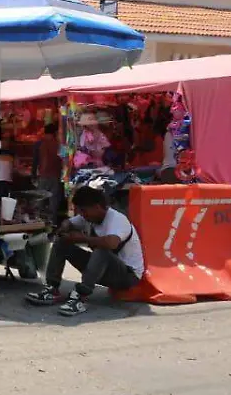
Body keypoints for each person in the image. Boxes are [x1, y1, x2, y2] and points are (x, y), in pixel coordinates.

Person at [25, 185, 143, 316]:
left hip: (127, 276)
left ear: (97, 207)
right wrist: (64, 228)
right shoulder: (88, 217)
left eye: (84, 211)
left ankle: (80, 297)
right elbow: (69, 222)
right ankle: (52, 289)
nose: (82, 215)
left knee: (102, 250)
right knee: (62, 243)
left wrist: (83, 238)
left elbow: (112, 243)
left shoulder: (117, 219)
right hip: (102, 270)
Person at [33, 123, 63, 221]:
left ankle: (38, 220)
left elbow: (44, 160)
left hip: (45, 175)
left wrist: (40, 173)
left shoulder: (44, 143)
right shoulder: (58, 144)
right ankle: (52, 221)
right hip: (56, 175)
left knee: (40, 200)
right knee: (53, 201)